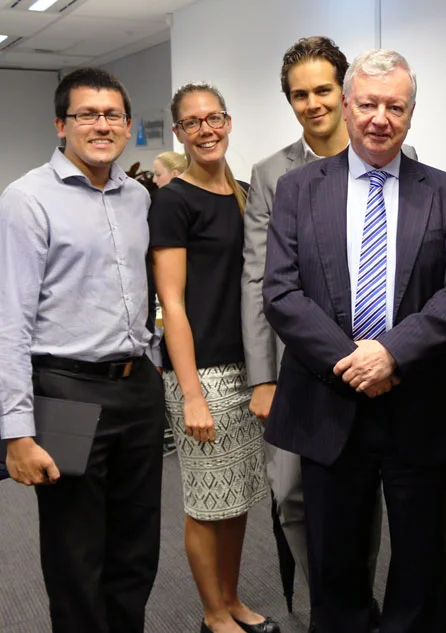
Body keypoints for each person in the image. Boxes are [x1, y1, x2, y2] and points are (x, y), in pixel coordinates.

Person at [262, 49, 446, 633]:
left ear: (411, 113)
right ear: (347, 104)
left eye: (395, 106)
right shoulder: (297, 189)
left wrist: (391, 352)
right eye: (367, 104)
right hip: (328, 401)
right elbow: (281, 293)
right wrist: (355, 361)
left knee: (418, 560)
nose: (379, 118)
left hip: (415, 402)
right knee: (334, 560)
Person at [240, 39, 416, 627]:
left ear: (342, 96)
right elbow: (260, 279)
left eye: (322, 91)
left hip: (388, 371)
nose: (313, 104)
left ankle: (353, 601)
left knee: (369, 501)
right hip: (309, 369)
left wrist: (387, 356)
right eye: (300, 94)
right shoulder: (273, 176)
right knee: (295, 496)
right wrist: (263, 377)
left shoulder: (398, 153)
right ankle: (332, 604)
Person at [0, 67, 165, 633]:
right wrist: (16, 431)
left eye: (112, 115)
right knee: (76, 555)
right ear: (60, 125)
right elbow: (10, 323)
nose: (101, 125)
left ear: (125, 125)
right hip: (66, 392)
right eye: (86, 115)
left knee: (136, 550)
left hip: (138, 389)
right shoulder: (26, 200)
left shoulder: (138, 197)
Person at [149, 82, 276, 633]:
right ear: (179, 132)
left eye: (214, 118)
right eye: (193, 122)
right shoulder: (174, 201)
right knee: (206, 501)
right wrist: (192, 394)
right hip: (201, 374)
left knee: (239, 495)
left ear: (228, 122)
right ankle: (212, 612)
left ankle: (233, 599)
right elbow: (172, 304)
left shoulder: (247, 193)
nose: (206, 130)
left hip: (249, 371)